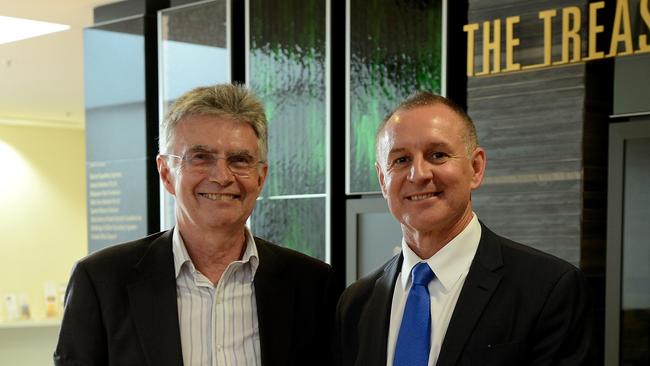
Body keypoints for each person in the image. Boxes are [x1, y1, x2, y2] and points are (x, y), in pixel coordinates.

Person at [54, 84, 337, 366]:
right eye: (201, 157)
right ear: (166, 173)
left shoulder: (312, 285)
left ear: (260, 177)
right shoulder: (102, 282)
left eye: (240, 160)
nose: (222, 176)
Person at [335, 92, 591, 366]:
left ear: (476, 168)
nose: (418, 174)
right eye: (401, 160)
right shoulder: (356, 302)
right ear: (383, 180)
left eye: (437, 155)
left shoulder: (548, 289)